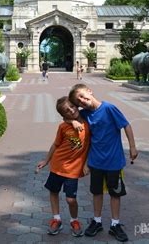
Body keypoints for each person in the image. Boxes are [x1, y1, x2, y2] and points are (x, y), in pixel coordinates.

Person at [68, 83, 138, 242]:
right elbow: (66, 112)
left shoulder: (109, 108)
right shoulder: (84, 114)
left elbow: (126, 125)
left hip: (114, 161)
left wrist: (132, 147)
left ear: (89, 91)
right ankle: (97, 221)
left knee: (115, 193)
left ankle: (115, 224)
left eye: (81, 96)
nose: (82, 101)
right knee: (97, 192)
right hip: (96, 161)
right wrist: (73, 122)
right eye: (78, 102)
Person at [36, 96, 90, 237]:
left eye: (72, 107)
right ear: (63, 115)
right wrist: (46, 160)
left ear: (77, 106)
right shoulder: (63, 126)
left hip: (73, 169)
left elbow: (92, 146)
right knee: (53, 192)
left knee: (70, 199)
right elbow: (56, 144)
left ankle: (74, 220)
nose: (71, 111)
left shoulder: (88, 123)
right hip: (57, 166)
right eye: (67, 111)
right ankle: (57, 219)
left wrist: (86, 163)